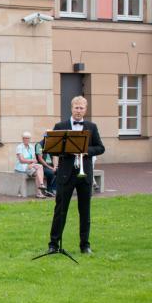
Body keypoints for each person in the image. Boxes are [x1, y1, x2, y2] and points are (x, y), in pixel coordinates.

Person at [48, 96, 105, 254]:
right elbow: (53, 149)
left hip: (84, 174)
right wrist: (66, 149)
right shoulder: (61, 126)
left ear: (85, 110)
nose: (79, 111)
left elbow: (100, 148)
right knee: (60, 210)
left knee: (85, 211)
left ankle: (85, 245)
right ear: (71, 108)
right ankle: (53, 244)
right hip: (66, 174)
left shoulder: (91, 127)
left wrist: (86, 150)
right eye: (76, 108)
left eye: (81, 108)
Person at [15, 131, 47, 199]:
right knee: (40, 167)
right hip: (21, 167)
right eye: (25, 138)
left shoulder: (31, 147)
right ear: (22, 139)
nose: (26, 140)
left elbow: (35, 159)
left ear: (30, 139)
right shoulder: (19, 147)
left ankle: (40, 191)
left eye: (28, 138)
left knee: (39, 170)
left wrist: (31, 163)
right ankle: (41, 187)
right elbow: (21, 160)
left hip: (31, 166)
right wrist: (31, 162)